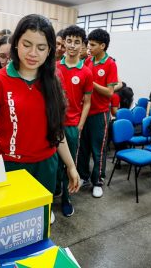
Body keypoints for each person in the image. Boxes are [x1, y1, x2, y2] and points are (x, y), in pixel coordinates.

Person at [0, 14, 80, 224]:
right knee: (10, 226)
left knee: (39, 223)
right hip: (9, 166)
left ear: (50, 50)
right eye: (27, 44)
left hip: (47, 166)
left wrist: (70, 166)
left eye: (41, 48)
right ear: (16, 43)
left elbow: (57, 130)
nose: (33, 53)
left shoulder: (53, 80)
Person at [55, 25, 93, 217]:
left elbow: (87, 102)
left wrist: (80, 124)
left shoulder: (86, 72)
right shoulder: (55, 67)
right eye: (69, 41)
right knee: (53, 162)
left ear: (82, 45)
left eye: (76, 42)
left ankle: (67, 198)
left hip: (71, 126)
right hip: (54, 124)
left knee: (70, 165)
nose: (71, 45)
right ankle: (54, 193)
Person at [77, 28, 118, 198]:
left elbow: (110, 92)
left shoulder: (110, 64)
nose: (89, 48)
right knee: (83, 148)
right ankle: (83, 177)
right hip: (84, 112)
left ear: (103, 46)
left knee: (98, 149)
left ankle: (98, 181)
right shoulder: (88, 61)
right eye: (88, 44)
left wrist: (90, 82)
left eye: (92, 45)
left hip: (100, 114)